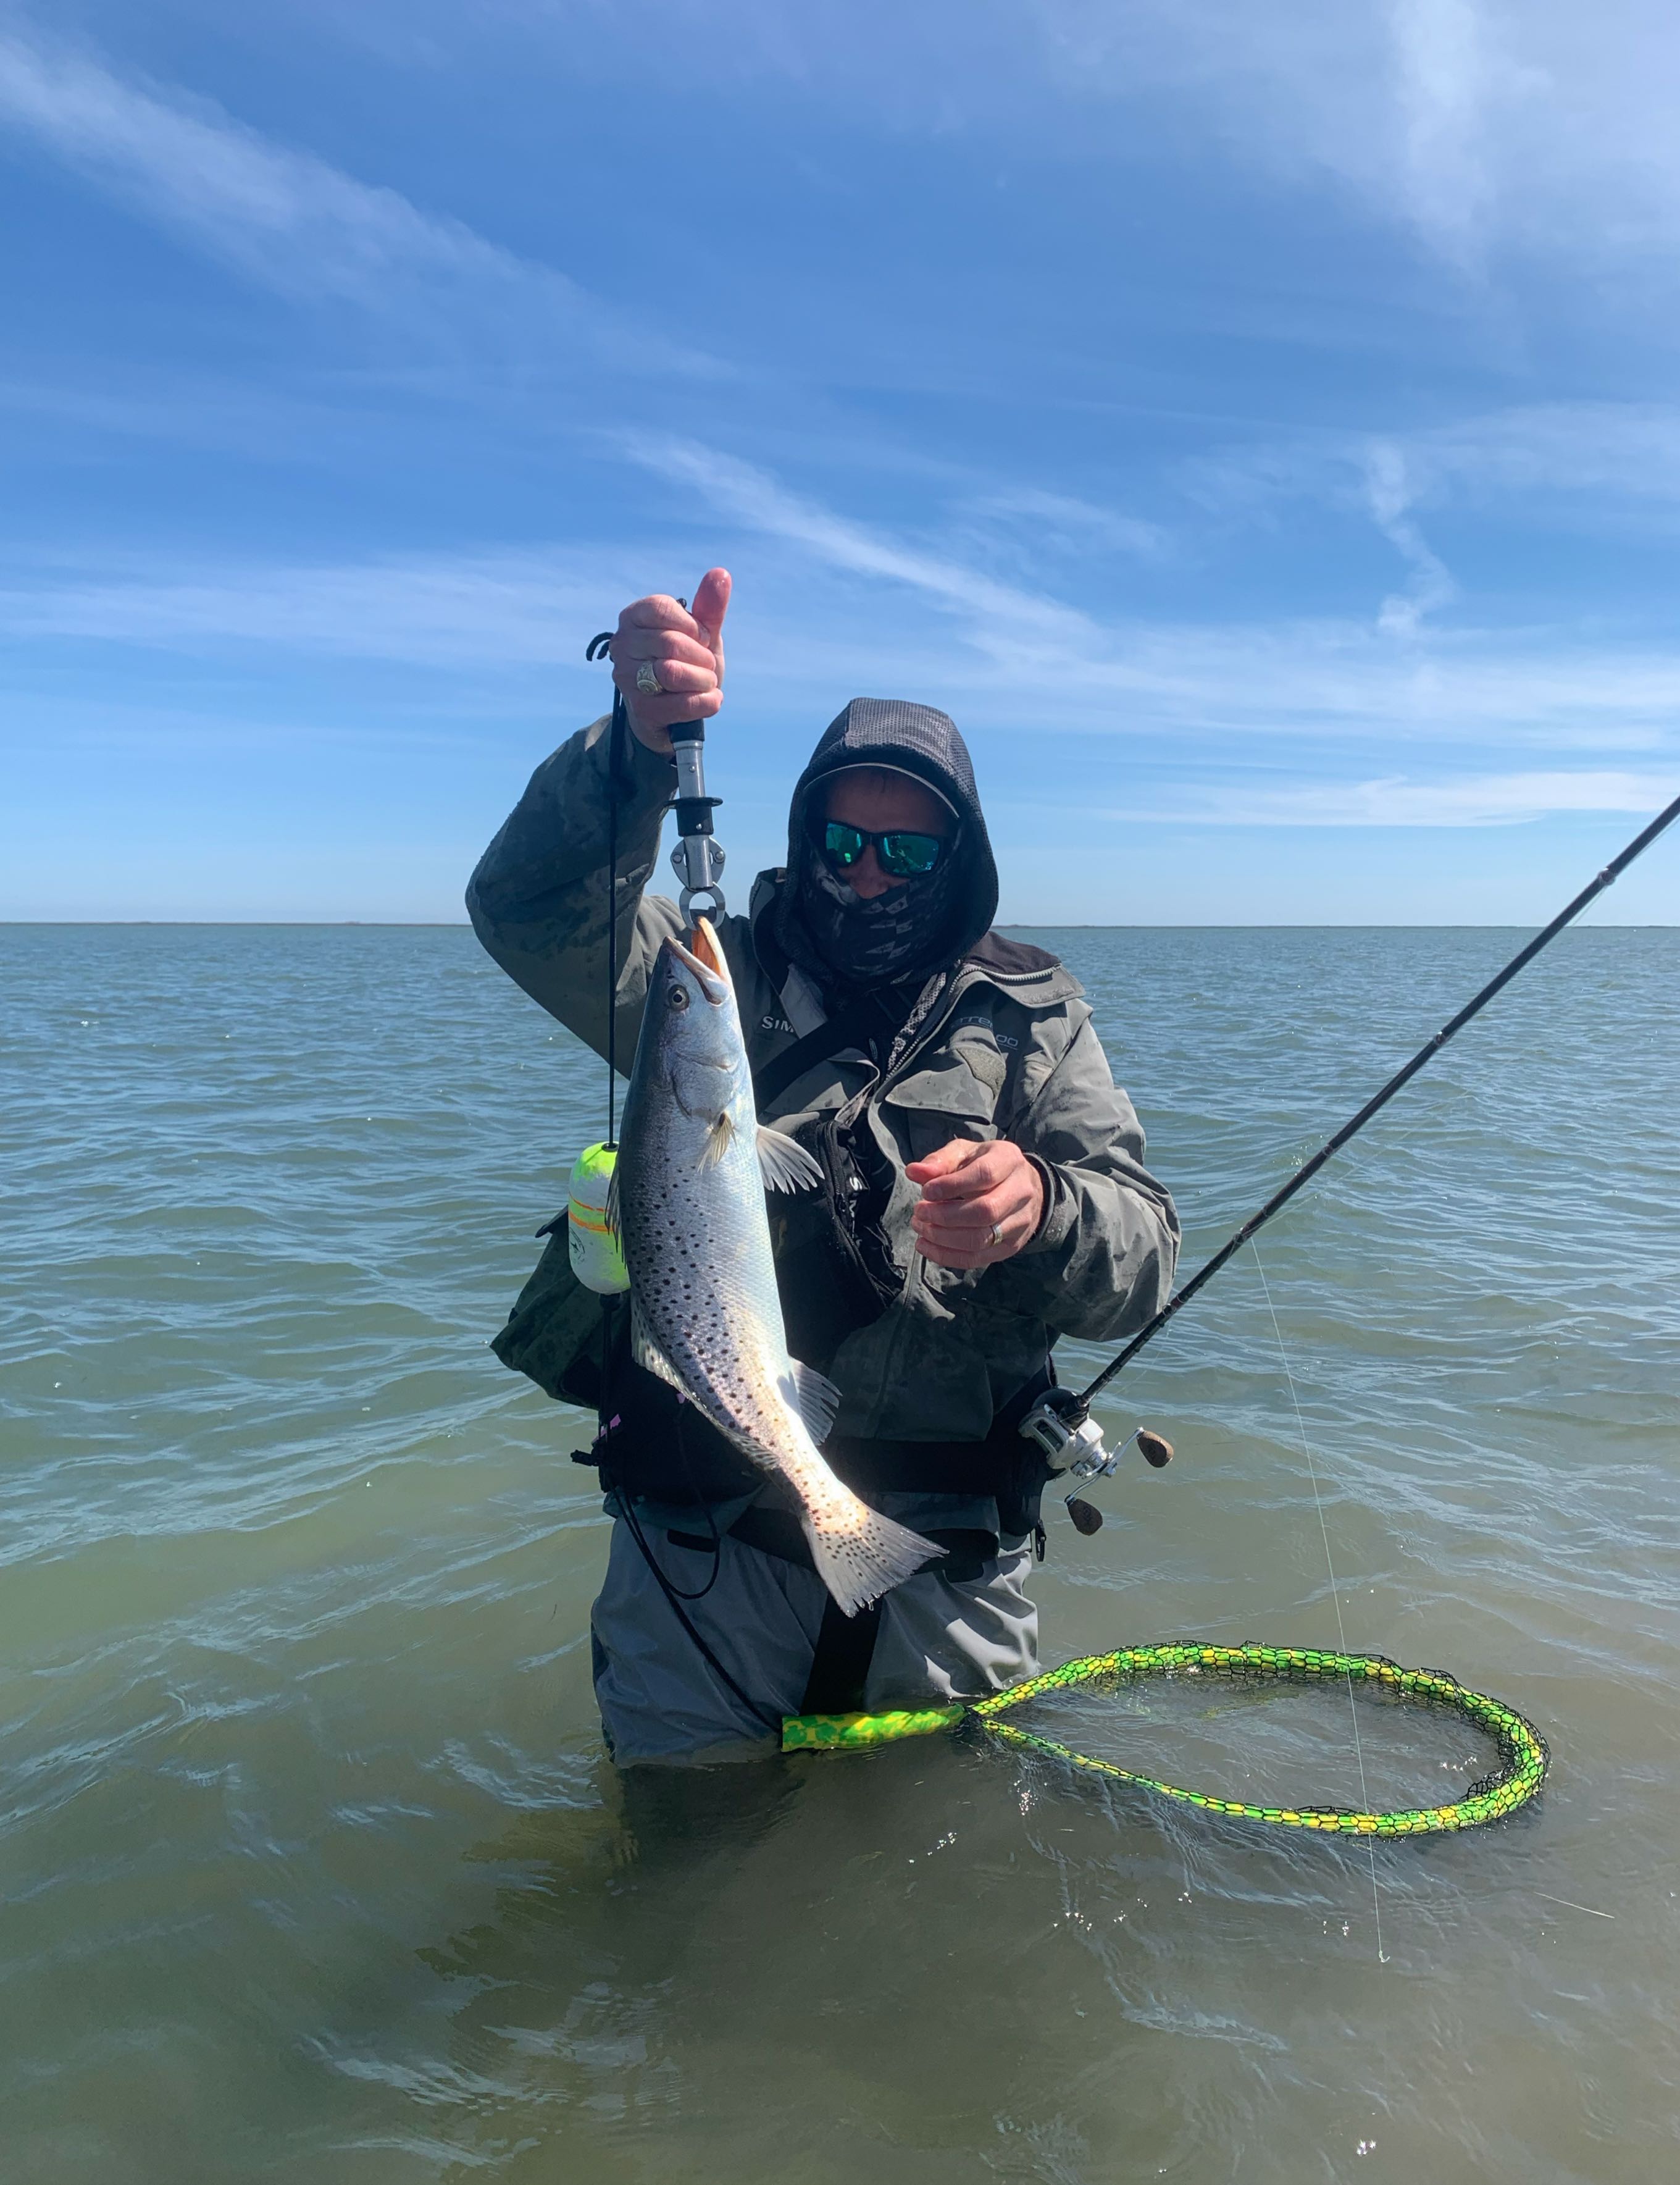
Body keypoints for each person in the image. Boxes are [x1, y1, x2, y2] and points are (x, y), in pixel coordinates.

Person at [467, 568, 1179, 1766]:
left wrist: (1045, 1208)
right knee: (678, 1881)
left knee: (935, 1881)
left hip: (948, 1558)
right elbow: (526, 906)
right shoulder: (707, 979)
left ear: (958, 858)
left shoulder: (1035, 1015)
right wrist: (633, 755)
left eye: (904, 851)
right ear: (804, 834)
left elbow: (1141, 1258)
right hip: (700, 1558)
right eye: (841, 840)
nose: (864, 873)